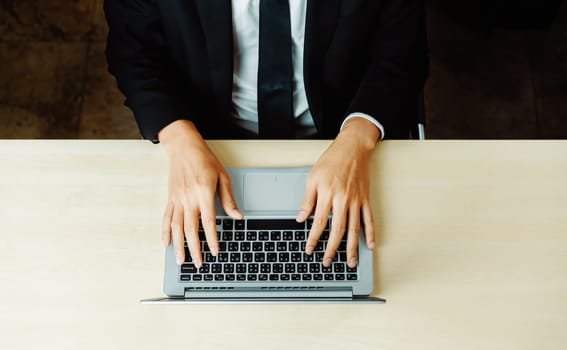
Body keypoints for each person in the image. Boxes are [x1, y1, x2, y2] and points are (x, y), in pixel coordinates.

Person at [104, 0, 426, 271]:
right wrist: (177, 136)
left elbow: (402, 47)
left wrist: (358, 137)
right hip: (208, 139)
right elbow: (132, 48)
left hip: (340, 134)